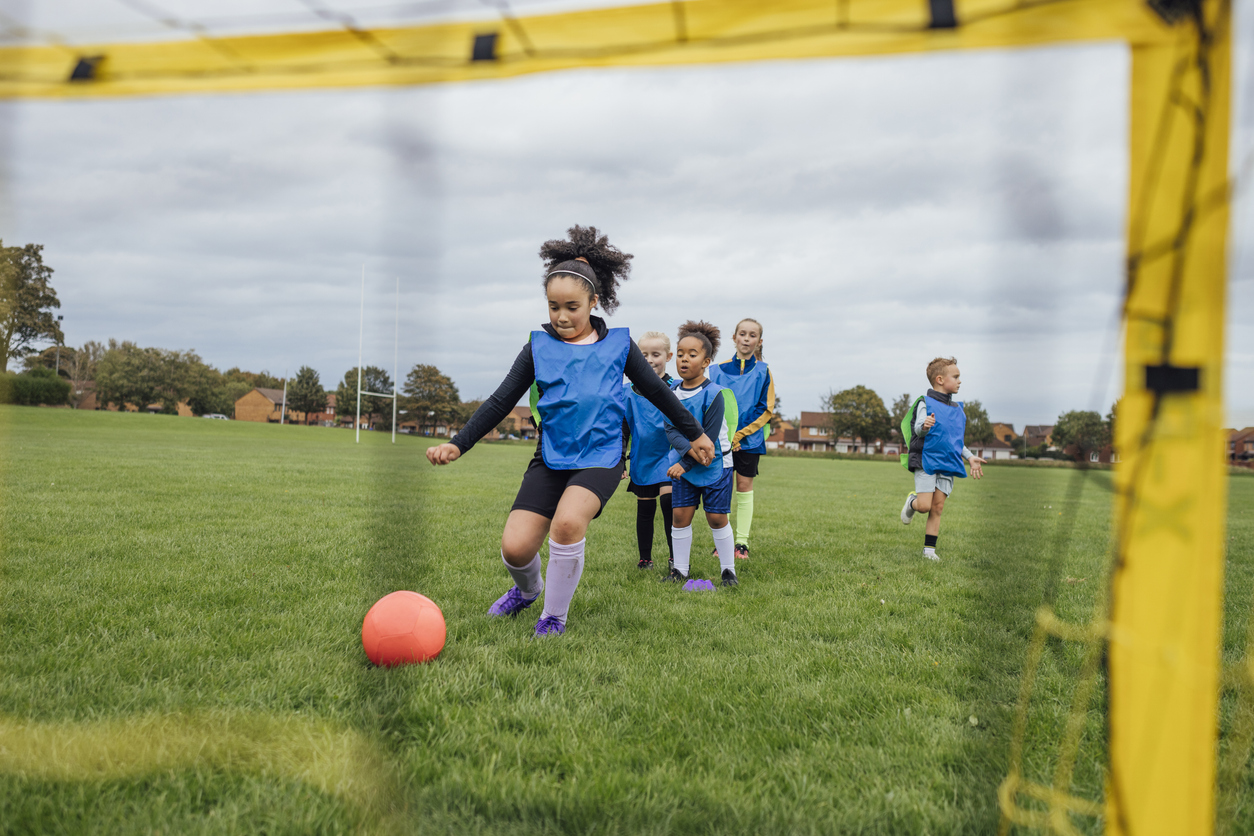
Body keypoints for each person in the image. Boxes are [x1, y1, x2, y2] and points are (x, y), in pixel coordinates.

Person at [426, 226, 715, 636]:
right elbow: (500, 401)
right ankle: (528, 592)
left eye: (571, 307)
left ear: (594, 302)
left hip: (601, 457)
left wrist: (696, 434)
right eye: (553, 306)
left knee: (566, 524)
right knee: (515, 548)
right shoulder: (537, 347)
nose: (561, 316)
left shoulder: (619, 345)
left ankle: (553, 616)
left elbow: (656, 393)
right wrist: (458, 444)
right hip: (551, 456)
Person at [661, 320, 740, 588]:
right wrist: (684, 459)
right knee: (680, 515)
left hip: (716, 463)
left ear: (706, 361)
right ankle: (680, 571)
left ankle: (728, 570)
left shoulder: (714, 394)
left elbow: (708, 440)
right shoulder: (670, 392)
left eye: (692, 355)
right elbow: (670, 429)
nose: (684, 359)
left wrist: (686, 462)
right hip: (685, 464)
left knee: (716, 518)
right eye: (680, 354)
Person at [899, 357, 986, 560]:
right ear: (940, 379)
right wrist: (925, 425)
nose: (959, 381)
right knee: (925, 506)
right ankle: (912, 502)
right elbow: (918, 430)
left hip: (948, 462)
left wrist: (970, 457)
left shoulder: (958, 410)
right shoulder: (925, 403)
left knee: (937, 507)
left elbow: (955, 442)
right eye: (955, 377)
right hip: (927, 461)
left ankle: (929, 551)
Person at [708, 317, 775, 559]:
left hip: (750, 441)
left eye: (752, 335)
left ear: (759, 341)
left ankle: (742, 544)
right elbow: (710, 403)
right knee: (722, 489)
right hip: (721, 441)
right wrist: (725, 435)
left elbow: (765, 408)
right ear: (734, 338)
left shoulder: (764, 371)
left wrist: (740, 434)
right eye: (742, 334)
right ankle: (722, 543)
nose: (747, 339)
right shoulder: (715, 370)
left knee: (745, 488)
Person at [622, 331, 676, 570]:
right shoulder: (627, 393)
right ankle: (645, 559)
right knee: (645, 507)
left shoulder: (677, 388)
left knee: (669, 501)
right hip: (642, 457)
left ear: (668, 356)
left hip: (670, 455)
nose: (650, 359)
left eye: (656, 354)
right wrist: (619, 460)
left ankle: (676, 557)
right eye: (644, 355)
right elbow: (622, 429)